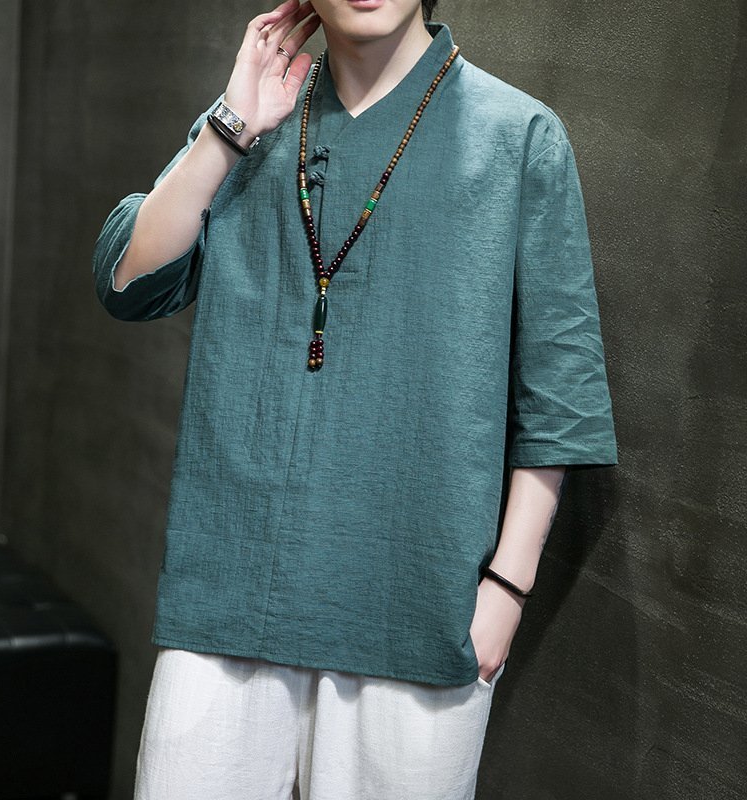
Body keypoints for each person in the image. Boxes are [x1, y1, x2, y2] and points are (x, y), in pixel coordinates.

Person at [92, 0, 618, 797]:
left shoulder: (517, 136)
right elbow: (127, 281)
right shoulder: (254, 120)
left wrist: (506, 591)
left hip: (417, 603)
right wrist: (230, 128)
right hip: (230, 592)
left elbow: (561, 394)